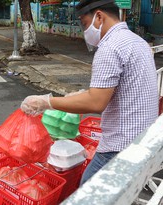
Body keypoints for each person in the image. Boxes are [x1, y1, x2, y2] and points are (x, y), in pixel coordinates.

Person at [20, 0, 158, 185]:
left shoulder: (110, 47)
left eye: (85, 24)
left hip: (121, 146)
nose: (85, 31)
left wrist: (47, 102)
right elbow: (126, 86)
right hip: (145, 139)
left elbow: (96, 103)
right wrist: (79, 95)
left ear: (99, 16)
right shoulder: (137, 41)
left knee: (88, 190)